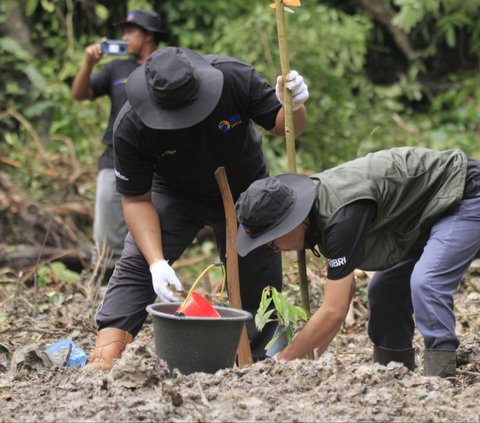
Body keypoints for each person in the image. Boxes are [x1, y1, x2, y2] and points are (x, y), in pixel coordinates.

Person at [84, 46, 309, 371]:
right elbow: (135, 199)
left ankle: (256, 361)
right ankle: (105, 355)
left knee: (259, 273)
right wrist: (156, 262)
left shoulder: (234, 78)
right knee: (136, 265)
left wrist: (295, 104)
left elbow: (286, 127)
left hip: (244, 188)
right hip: (176, 195)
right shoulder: (132, 124)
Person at [235, 146, 480, 377]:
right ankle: (392, 373)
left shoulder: (340, 218)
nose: (273, 248)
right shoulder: (317, 213)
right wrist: (309, 360)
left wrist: (282, 363)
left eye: (271, 240)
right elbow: (344, 293)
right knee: (384, 290)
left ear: (290, 223)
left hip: (463, 194)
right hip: (422, 217)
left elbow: (333, 310)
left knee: (426, 282)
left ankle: (441, 375)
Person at [72, 9, 169, 279]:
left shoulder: (165, 66)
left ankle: (143, 279)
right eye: (123, 31)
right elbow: (80, 94)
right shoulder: (117, 67)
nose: (124, 37)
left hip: (157, 158)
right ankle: (102, 281)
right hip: (114, 155)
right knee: (106, 223)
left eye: (130, 31)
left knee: (151, 223)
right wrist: (89, 63)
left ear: (149, 35)